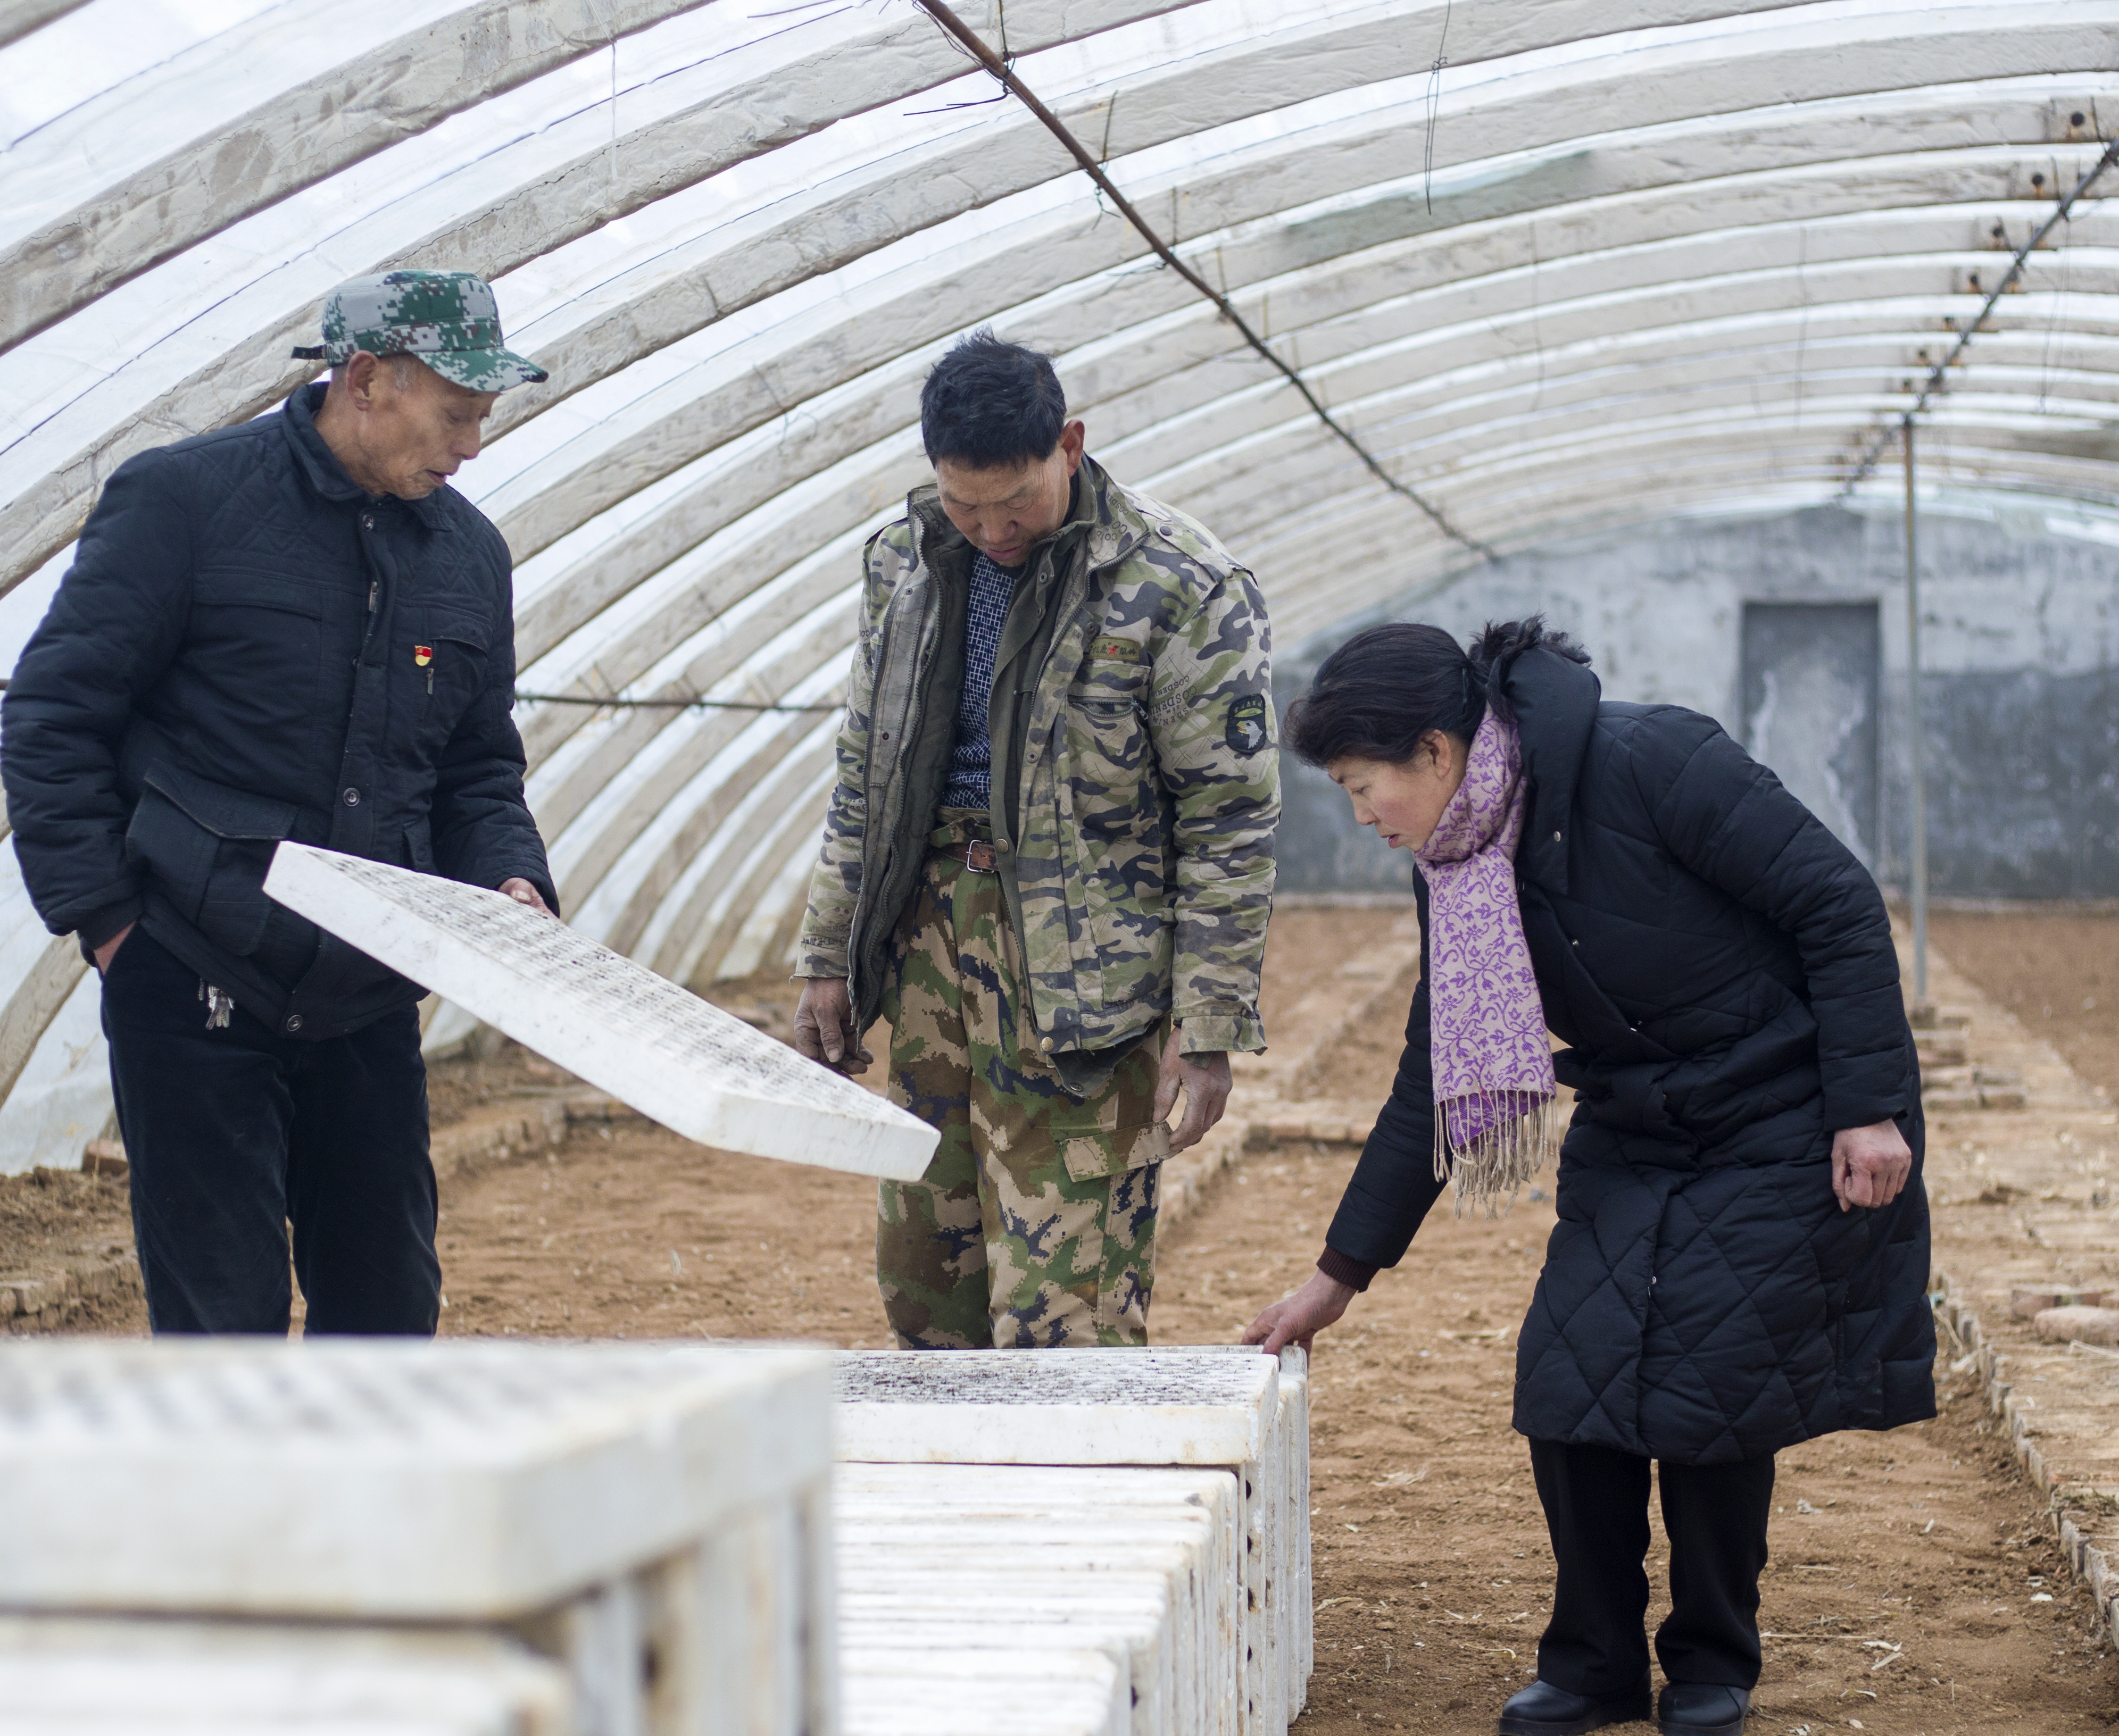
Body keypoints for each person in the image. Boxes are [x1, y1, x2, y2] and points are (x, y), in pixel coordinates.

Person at [1244, 619, 1932, 1736]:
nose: (1365, 819)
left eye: (1366, 788)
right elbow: (1435, 1074)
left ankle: (1711, 1663)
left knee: (1710, 1393)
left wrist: (1867, 1107)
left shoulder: (1654, 759)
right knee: (1569, 1387)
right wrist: (1339, 1276)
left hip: (1783, 1113)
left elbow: (1838, 904)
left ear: (1436, 750)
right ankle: (1594, 1664)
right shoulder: (1454, 867)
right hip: (1636, 1123)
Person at [1, 270, 560, 1337]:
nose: (473, 446)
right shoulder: (186, 501)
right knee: (225, 1322)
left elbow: (477, 768)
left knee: (388, 1308)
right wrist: (110, 922)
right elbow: (55, 716)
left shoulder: (467, 556)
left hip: (366, 991)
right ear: (367, 379)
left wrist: (510, 879)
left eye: (484, 417)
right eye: (456, 415)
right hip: (195, 973)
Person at [790, 330, 1278, 1349]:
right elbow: (866, 769)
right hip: (930, 948)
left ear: (1070, 445)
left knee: (1067, 1320)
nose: (991, 530)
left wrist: (1210, 1021)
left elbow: (1226, 818)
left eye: (1014, 502)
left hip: (1086, 978)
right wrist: (828, 952)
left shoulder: (1179, 584)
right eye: (964, 505)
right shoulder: (906, 562)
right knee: (928, 1289)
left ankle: (1077, 1450)